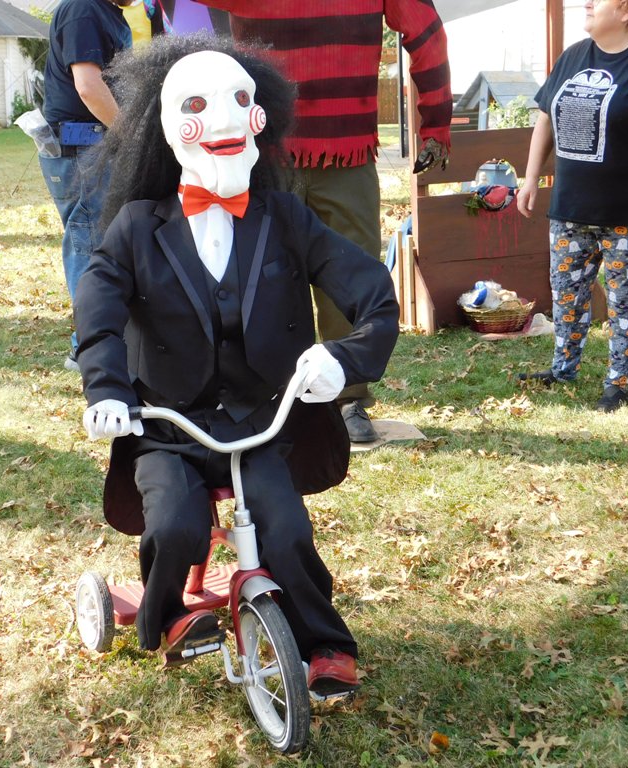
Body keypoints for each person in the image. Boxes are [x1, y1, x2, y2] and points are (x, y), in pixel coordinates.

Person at [75, 35, 399, 696]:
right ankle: (168, 617)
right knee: (175, 525)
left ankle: (326, 644)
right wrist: (107, 390)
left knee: (288, 528)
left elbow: (371, 291)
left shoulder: (286, 218)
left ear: (260, 117)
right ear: (167, 128)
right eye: (197, 106)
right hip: (167, 425)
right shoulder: (136, 228)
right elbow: (97, 314)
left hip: (259, 422)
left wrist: (344, 358)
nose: (223, 120)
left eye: (238, 101)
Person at [191, 0, 452, 444]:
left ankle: (347, 398)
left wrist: (437, 124)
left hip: (344, 151)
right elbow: (429, 35)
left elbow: (427, 33)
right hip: (265, 153)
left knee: (350, 277)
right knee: (256, 277)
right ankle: (265, 395)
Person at [515, 0, 628, 412]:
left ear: (627, 8)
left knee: (626, 303)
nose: (587, 2)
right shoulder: (573, 57)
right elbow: (545, 118)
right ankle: (563, 369)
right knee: (566, 296)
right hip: (570, 210)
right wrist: (530, 178)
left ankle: (618, 383)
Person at [39, 0, 132, 372]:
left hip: (94, 147)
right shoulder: (84, 9)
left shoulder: (105, 12)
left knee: (103, 245)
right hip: (82, 150)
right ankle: (89, 350)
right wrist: (132, 136)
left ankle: (101, 340)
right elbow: (89, 88)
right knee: (90, 246)